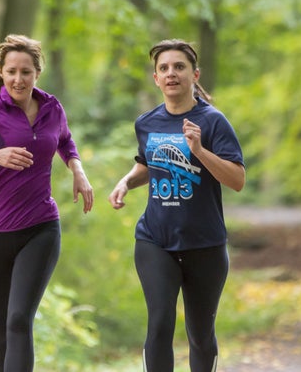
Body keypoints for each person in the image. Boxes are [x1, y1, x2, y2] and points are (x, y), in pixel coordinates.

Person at [0, 34, 94, 372]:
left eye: (25, 72)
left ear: (37, 73)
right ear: (1, 71)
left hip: (40, 228)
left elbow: (66, 141)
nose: (18, 79)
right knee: (1, 327)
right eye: (11, 71)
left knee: (18, 320)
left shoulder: (52, 107)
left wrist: (78, 169)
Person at [108, 39, 245, 371]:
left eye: (179, 67)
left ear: (194, 75)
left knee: (199, 335)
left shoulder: (213, 122)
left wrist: (199, 151)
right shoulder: (146, 123)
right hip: (155, 239)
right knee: (159, 324)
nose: (172, 74)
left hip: (205, 244)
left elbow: (237, 179)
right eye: (164, 68)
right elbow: (148, 164)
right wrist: (126, 181)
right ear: (156, 78)